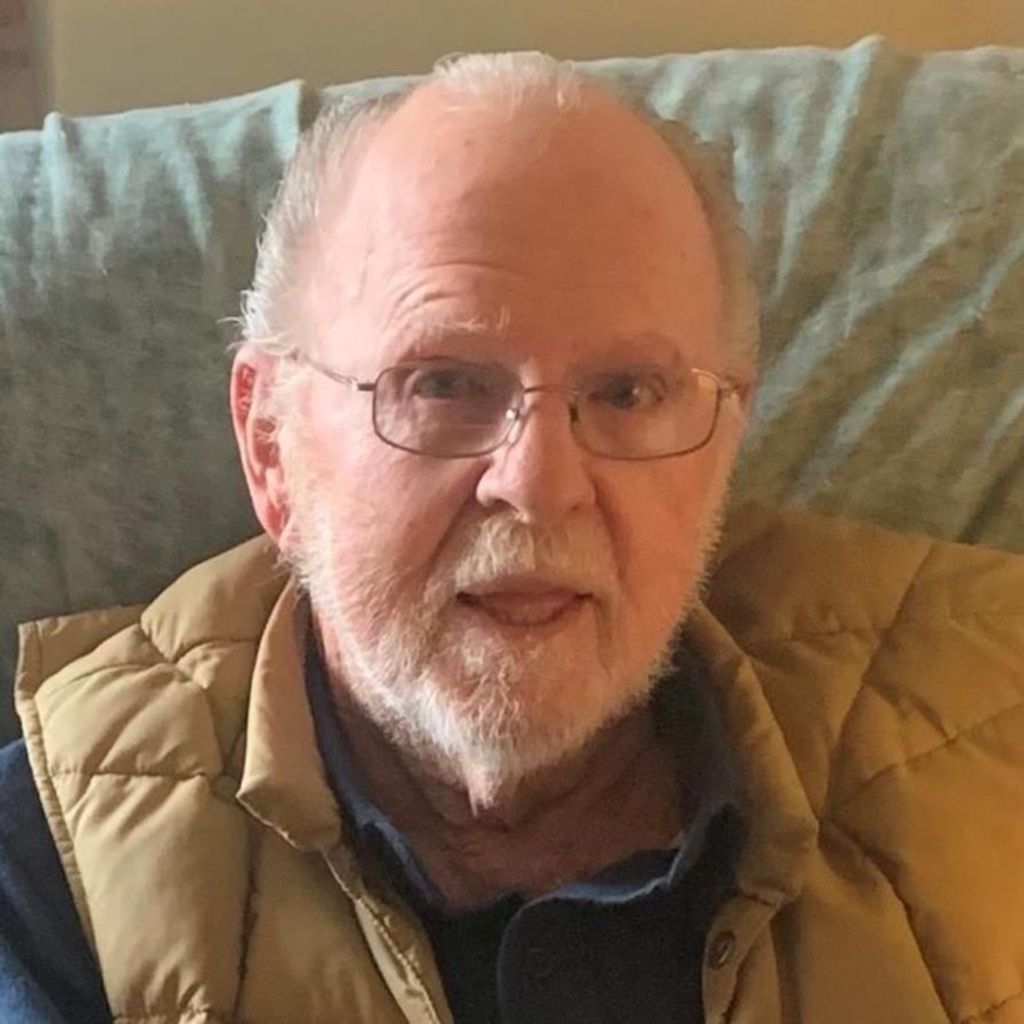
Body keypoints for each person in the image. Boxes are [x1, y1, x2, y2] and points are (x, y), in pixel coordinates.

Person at [1, 52, 1021, 1024]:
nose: (539, 486)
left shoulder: (992, 738)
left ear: (722, 445)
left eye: (627, 392)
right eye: (444, 383)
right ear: (271, 444)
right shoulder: (54, 876)